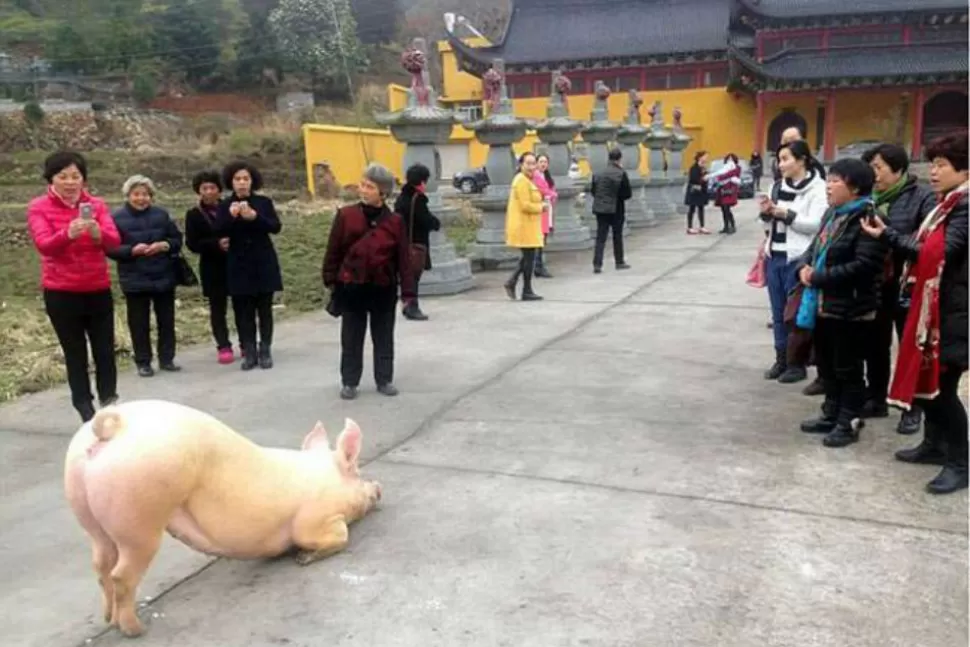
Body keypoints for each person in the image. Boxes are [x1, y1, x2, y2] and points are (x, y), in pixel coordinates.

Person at [861, 132, 968, 494]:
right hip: (936, 305)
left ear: (965, 170)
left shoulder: (964, 208)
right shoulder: (947, 203)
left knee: (943, 390)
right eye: (933, 164)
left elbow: (936, 255)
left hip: (954, 312)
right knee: (929, 386)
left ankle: (960, 462)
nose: (934, 171)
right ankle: (935, 445)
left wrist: (887, 236)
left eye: (942, 165)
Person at [796, 159, 887, 448]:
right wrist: (804, 268)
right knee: (827, 364)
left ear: (855, 187)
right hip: (824, 305)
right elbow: (813, 250)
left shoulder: (868, 218)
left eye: (836, 180)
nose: (829, 185)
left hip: (851, 307)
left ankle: (848, 421)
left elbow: (865, 266)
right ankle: (831, 412)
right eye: (829, 179)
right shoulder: (833, 215)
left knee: (848, 368)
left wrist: (819, 276)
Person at [26, 151, 122, 422]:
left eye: (76, 176)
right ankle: (84, 407)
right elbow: (44, 245)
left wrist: (97, 233)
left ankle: (109, 401)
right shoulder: (38, 207)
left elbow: (114, 241)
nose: (70, 182)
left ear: (84, 178)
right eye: (63, 176)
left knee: (105, 349)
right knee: (75, 352)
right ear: (51, 179)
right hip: (61, 292)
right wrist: (67, 234)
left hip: (97, 288)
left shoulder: (97, 205)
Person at [858, 143, 937, 433]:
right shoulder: (867, 197)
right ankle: (876, 396)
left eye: (878, 167)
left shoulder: (922, 198)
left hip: (907, 284)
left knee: (908, 345)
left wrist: (887, 233)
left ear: (899, 168)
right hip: (876, 282)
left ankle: (911, 407)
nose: (873, 174)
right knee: (874, 343)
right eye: (871, 168)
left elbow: (924, 246)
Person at [322, 163, 416, 400]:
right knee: (352, 336)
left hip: (382, 287)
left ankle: (384, 379)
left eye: (369, 186)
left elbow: (403, 258)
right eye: (362, 184)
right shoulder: (346, 215)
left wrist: (408, 293)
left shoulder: (395, 222)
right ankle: (349, 381)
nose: (363, 189)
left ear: (382, 193)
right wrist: (332, 281)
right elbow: (333, 251)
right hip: (352, 287)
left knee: (383, 336)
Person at [759, 140, 827, 383]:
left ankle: (797, 363)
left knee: (796, 314)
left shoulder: (818, 189)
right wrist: (767, 213)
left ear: (802, 160)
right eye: (779, 159)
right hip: (774, 255)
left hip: (799, 258)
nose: (781, 164)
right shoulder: (776, 187)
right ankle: (781, 359)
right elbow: (766, 225)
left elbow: (817, 225)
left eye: (786, 158)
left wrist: (785, 214)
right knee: (778, 313)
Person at [107, 175, 184, 378]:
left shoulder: (161, 214)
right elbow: (110, 248)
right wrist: (132, 251)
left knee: (166, 320)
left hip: (163, 274)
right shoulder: (116, 218)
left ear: (151, 196)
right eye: (136, 194)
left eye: (145, 194)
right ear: (128, 195)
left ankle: (167, 358)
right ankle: (143, 362)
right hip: (135, 278)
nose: (141, 198)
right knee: (139, 323)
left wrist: (164, 245)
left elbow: (176, 239)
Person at [216, 161, 283, 371]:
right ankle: (249, 351)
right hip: (239, 263)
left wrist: (254, 217)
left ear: (252, 181)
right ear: (231, 182)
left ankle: (265, 350)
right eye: (238, 179)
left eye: (246, 179)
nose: (242, 183)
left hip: (263, 261)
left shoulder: (263, 202)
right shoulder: (225, 205)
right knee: (243, 311)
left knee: (264, 309)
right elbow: (219, 229)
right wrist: (232, 216)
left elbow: (275, 227)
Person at [185, 170, 235, 364]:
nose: (208, 192)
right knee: (217, 308)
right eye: (204, 188)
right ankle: (223, 345)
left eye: (212, 187)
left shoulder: (230, 207)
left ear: (219, 189)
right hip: (212, 267)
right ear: (199, 191)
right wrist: (216, 245)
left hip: (235, 263)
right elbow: (192, 244)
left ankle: (247, 343)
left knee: (241, 305)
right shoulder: (194, 214)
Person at [393, 163, 441, 321]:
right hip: (416, 243)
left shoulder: (401, 198)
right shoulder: (417, 199)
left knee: (407, 276)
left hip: (401, 242)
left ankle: (407, 305)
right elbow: (425, 219)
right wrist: (436, 223)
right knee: (413, 277)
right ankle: (412, 306)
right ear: (421, 181)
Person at [504, 152, 545, 300]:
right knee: (528, 259)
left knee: (527, 258)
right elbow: (525, 205)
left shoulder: (528, 180)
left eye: (533, 163)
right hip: (523, 226)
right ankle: (525, 289)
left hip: (529, 225)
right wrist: (542, 206)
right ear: (521, 165)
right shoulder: (521, 180)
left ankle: (514, 283)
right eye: (528, 163)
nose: (531, 167)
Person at [590, 147, 632, 272]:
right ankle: (619, 261)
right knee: (617, 235)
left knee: (600, 237)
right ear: (619, 159)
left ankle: (597, 264)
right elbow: (627, 193)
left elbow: (594, 191)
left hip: (600, 208)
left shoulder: (598, 173)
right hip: (616, 208)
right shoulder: (621, 173)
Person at [533, 153, 558, 278]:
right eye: (541, 161)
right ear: (536, 163)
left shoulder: (547, 177)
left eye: (545, 162)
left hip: (548, 210)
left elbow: (552, 192)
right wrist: (550, 194)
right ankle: (538, 266)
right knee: (539, 239)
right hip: (539, 210)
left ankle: (538, 265)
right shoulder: (535, 177)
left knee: (543, 239)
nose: (543, 164)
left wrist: (551, 195)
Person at [711, 153, 741, 234]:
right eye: (728, 159)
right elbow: (720, 175)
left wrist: (720, 177)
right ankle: (726, 226)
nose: (730, 161)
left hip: (730, 190)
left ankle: (732, 226)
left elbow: (729, 175)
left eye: (731, 159)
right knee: (723, 209)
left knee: (727, 208)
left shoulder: (737, 168)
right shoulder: (724, 168)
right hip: (722, 190)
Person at [685, 151, 710, 234]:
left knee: (701, 208)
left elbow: (706, 178)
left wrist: (706, 177)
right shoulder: (694, 167)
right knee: (692, 208)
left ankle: (702, 226)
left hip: (701, 191)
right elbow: (693, 178)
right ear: (700, 157)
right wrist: (702, 178)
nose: (706, 158)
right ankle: (690, 227)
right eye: (705, 156)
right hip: (694, 191)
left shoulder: (704, 168)